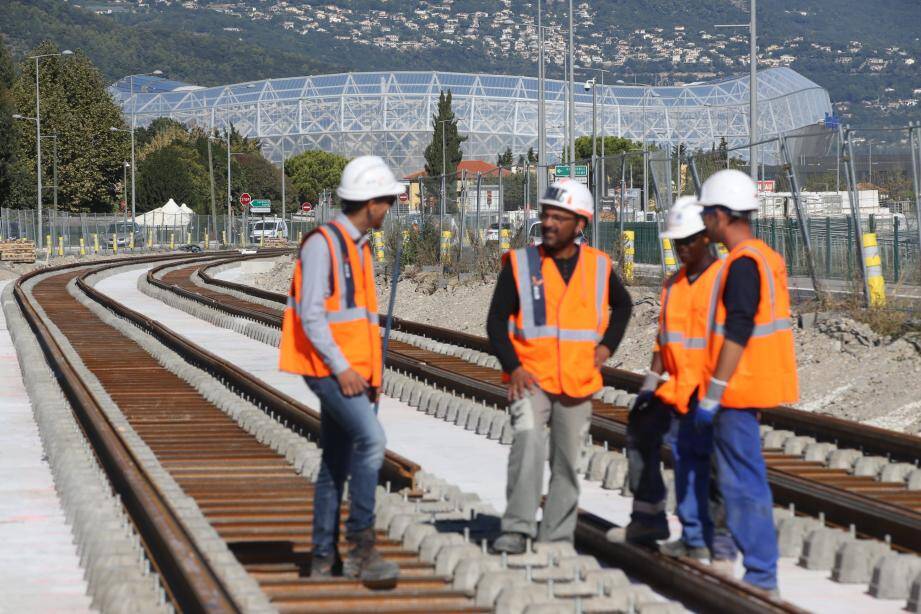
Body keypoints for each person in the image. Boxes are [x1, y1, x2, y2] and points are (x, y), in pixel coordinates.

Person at [487, 179, 633, 554]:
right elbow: (495, 321)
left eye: (558, 217)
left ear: (579, 224)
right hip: (530, 378)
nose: (549, 223)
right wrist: (513, 365)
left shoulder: (600, 267)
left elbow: (624, 306)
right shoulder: (520, 264)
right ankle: (517, 528)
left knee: (568, 460)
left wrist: (606, 348)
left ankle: (555, 534)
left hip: (578, 380)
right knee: (528, 446)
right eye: (545, 215)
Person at [278, 155, 404, 583]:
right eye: (387, 201)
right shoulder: (323, 244)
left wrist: (370, 378)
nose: (389, 209)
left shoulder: (357, 249)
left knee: (336, 462)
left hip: (351, 371)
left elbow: (361, 325)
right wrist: (344, 370)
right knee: (372, 442)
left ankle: (321, 558)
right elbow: (312, 315)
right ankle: (361, 551)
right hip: (327, 368)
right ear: (370, 202)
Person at [606, 197, 738, 568]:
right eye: (677, 242)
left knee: (706, 461)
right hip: (678, 386)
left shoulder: (725, 279)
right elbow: (664, 341)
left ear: (706, 238)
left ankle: (716, 540)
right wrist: (649, 386)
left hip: (712, 390)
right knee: (641, 429)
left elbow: (735, 339)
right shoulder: (674, 284)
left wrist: (717, 394)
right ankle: (648, 519)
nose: (681, 249)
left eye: (688, 241)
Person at [696, 169, 799, 596]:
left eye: (706, 214)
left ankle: (761, 576)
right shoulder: (764, 256)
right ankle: (760, 572)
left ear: (721, 215)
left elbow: (738, 328)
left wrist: (715, 391)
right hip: (755, 383)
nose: (703, 222)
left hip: (738, 389)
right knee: (745, 477)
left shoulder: (741, 265)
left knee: (740, 482)